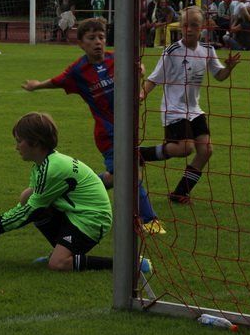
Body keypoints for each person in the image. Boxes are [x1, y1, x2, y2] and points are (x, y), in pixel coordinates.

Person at [21, 18, 163, 233]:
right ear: (81, 43)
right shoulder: (78, 70)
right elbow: (57, 81)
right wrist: (37, 85)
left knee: (117, 176)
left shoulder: (117, 59)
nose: (98, 42)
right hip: (108, 134)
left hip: (128, 129)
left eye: (101, 37)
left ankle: (67, 189)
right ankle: (149, 221)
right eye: (91, 38)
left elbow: (137, 68)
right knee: (132, 174)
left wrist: (140, 70)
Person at [0, 112, 116, 272]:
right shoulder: (44, 164)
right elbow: (28, 205)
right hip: (77, 213)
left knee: (58, 264)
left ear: (35, 142)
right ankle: (61, 250)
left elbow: (30, 211)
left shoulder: (52, 169)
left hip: (92, 219)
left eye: (19, 141)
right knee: (27, 196)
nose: (16, 147)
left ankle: (121, 265)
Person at [138, 6, 241, 204]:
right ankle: (140, 154)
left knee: (206, 150)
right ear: (181, 27)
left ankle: (180, 193)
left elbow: (219, 76)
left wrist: (228, 68)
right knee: (185, 148)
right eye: (186, 25)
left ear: (202, 27)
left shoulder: (208, 50)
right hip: (173, 108)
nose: (189, 29)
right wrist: (142, 94)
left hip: (194, 109)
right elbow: (154, 78)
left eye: (194, 25)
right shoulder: (172, 51)